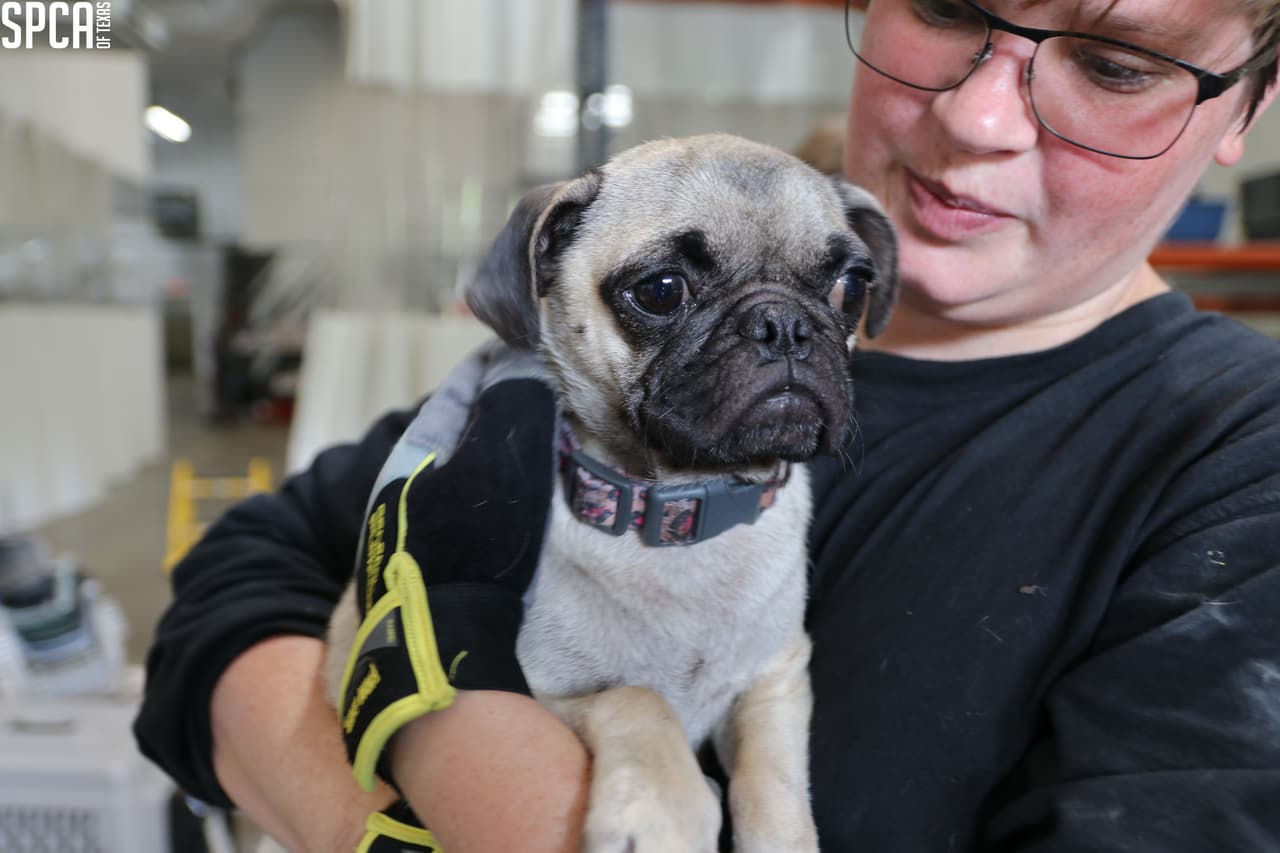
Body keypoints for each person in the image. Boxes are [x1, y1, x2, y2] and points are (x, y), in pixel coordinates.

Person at [135, 0, 1280, 848]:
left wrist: (418, 742)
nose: (979, 114)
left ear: (1249, 100)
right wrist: (376, 809)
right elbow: (229, 589)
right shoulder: (546, 399)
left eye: (1115, 64)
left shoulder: (1233, 459)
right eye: (942, 6)